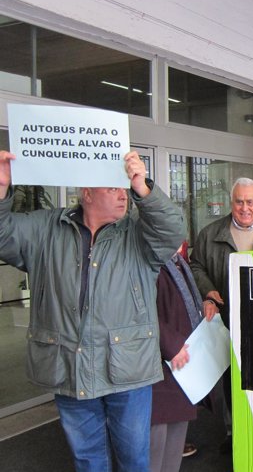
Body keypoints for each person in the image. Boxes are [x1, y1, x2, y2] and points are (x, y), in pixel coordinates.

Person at [0, 150, 185, 472]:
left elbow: (173, 229)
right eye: (112, 188)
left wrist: (143, 186)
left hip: (127, 372)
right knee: (88, 461)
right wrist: (1, 188)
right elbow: (3, 235)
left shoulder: (139, 237)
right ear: (86, 194)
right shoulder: (46, 228)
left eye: (123, 188)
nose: (121, 195)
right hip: (70, 368)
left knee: (134, 462)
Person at [189, 177, 253, 455]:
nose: (244, 208)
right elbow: (196, 266)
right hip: (227, 320)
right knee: (231, 378)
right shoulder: (210, 233)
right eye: (239, 201)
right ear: (231, 202)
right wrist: (208, 291)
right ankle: (233, 431)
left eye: (250, 202)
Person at [150, 242, 219, 472]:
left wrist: (205, 303)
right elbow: (139, 312)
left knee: (175, 439)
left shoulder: (178, 261)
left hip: (182, 369)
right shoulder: (148, 262)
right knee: (155, 445)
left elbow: (184, 300)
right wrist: (170, 345)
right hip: (159, 368)